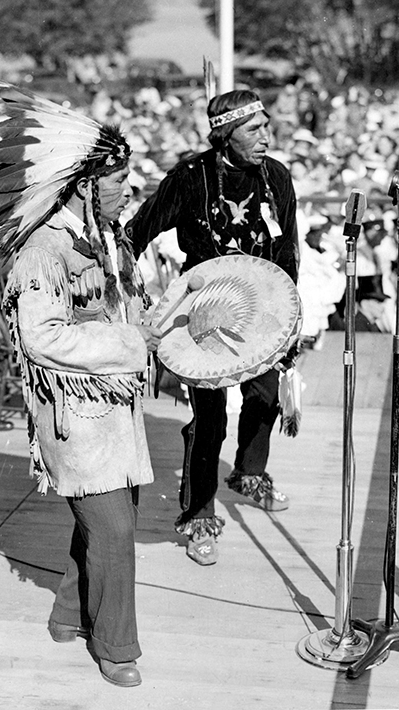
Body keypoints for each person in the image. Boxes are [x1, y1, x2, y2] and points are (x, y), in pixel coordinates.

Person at [0, 84, 161, 689]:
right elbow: (42, 338)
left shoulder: (105, 239)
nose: (128, 189)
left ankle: (67, 616)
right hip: (74, 414)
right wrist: (134, 342)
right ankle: (116, 646)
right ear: (86, 185)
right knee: (112, 526)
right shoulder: (45, 250)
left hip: (113, 411)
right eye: (118, 180)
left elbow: (121, 311)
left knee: (109, 518)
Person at [125, 88, 300, 566]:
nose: (267, 135)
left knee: (267, 396)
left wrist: (290, 316)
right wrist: (122, 286)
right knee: (210, 420)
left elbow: (288, 252)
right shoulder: (189, 177)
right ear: (225, 135)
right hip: (202, 314)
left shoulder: (277, 177)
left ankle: (248, 472)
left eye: (267, 126)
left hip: (264, 307)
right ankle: (199, 514)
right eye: (254, 129)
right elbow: (137, 232)